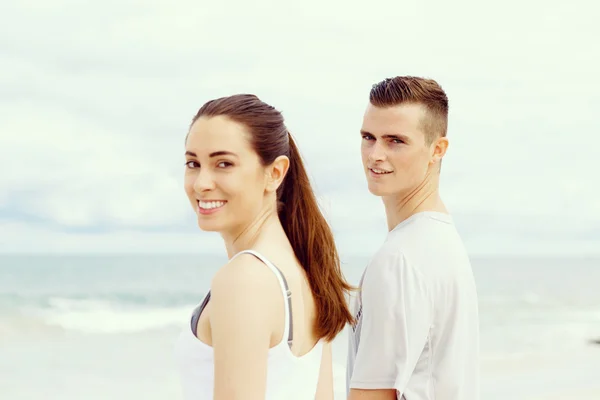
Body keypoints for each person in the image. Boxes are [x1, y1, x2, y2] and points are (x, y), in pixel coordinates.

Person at [174, 93, 354, 400]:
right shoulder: (306, 270)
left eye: (223, 163)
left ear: (275, 173)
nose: (201, 182)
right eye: (193, 163)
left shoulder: (243, 280)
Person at [346, 76, 480, 400]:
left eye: (395, 141)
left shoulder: (400, 260)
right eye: (368, 137)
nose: (375, 154)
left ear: (438, 149)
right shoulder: (442, 242)